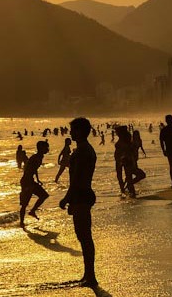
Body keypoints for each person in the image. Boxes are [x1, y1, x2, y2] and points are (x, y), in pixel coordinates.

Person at [59, 117, 98, 288]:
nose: (71, 133)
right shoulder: (83, 149)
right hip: (82, 195)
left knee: (85, 237)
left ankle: (91, 276)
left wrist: (66, 198)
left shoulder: (84, 151)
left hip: (81, 195)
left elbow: (77, 179)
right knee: (83, 236)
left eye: (73, 130)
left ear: (81, 131)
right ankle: (88, 274)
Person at [19, 140, 49, 227]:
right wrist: (29, 184)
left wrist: (38, 179)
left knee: (44, 195)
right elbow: (28, 169)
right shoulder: (36, 157)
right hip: (26, 181)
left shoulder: (40, 157)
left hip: (30, 180)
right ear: (40, 148)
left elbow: (34, 169)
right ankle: (21, 222)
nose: (47, 149)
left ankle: (32, 211)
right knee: (24, 203)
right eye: (46, 147)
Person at [114, 126, 136, 197]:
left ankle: (125, 190)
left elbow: (127, 151)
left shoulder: (124, 141)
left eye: (116, 131)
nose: (116, 133)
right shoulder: (125, 140)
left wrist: (123, 158)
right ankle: (128, 190)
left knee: (123, 176)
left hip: (122, 160)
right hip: (121, 160)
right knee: (125, 176)